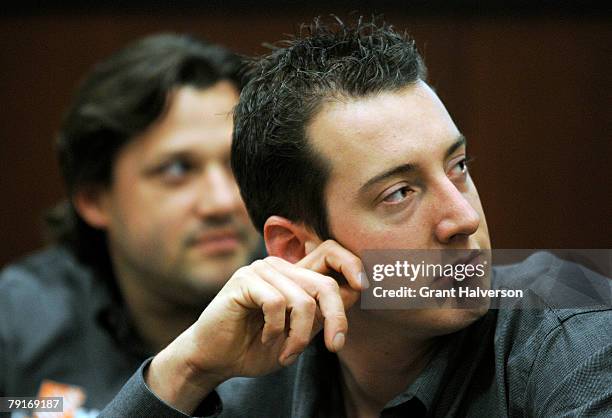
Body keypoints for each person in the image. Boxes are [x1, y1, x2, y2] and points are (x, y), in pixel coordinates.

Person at [99, 18, 611, 417]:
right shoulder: (254, 384)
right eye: (399, 193)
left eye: (458, 167)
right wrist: (186, 369)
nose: (462, 217)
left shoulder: (575, 342)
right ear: (296, 248)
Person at [0, 33, 261, 416]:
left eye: (236, 165)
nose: (222, 202)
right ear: (93, 199)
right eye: (177, 169)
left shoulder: (325, 300)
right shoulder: (18, 315)